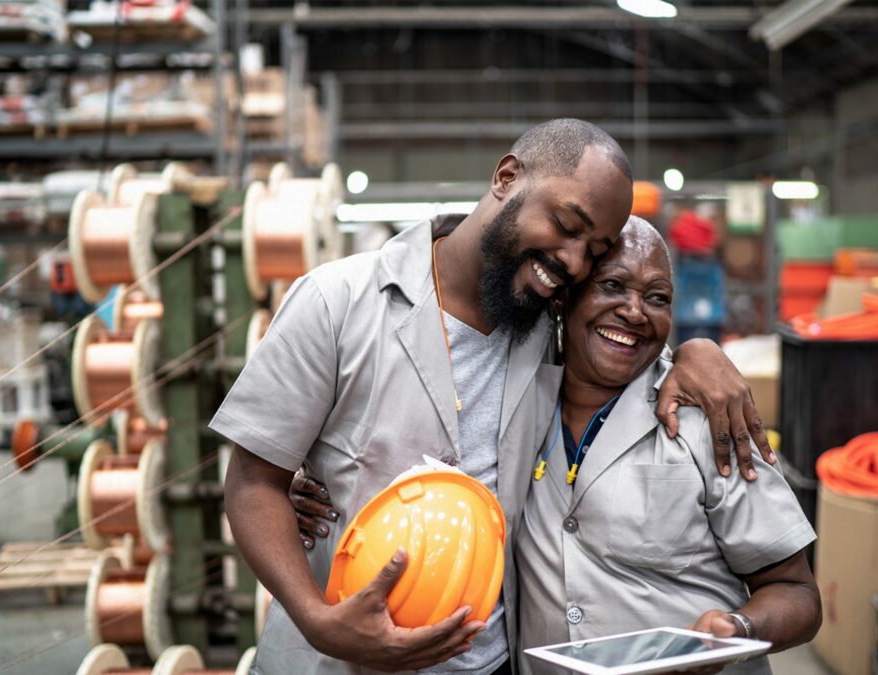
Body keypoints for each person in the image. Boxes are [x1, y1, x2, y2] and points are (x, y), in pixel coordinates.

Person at [216, 119, 774, 675]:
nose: (574, 261)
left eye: (594, 250)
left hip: (490, 664)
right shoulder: (337, 302)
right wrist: (319, 621)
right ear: (507, 177)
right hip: (334, 661)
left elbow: (622, 330)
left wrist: (697, 351)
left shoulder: (548, 326)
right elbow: (253, 480)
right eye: (566, 225)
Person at [516, 217, 820, 675]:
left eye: (657, 297)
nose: (635, 312)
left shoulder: (709, 417)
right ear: (564, 297)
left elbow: (798, 594)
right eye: (612, 285)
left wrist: (738, 629)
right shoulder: (519, 406)